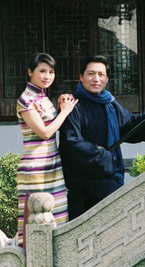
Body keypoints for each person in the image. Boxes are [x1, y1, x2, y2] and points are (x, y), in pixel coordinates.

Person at [59, 55, 145, 220]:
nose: (96, 79)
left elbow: (128, 125)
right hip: (85, 183)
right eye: (91, 74)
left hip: (110, 176)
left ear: (107, 78)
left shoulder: (109, 102)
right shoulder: (73, 105)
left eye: (101, 75)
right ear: (81, 77)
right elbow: (71, 143)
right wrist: (104, 156)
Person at [16, 52, 78, 245]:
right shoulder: (25, 100)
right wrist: (65, 112)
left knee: (56, 218)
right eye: (42, 71)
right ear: (29, 72)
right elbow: (44, 133)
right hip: (35, 168)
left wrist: (60, 107)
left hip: (52, 164)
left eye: (51, 72)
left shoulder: (44, 98)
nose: (47, 76)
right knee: (34, 220)